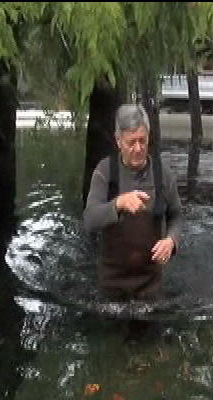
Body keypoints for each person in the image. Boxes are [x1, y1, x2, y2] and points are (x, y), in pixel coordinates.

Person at [83, 104, 182, 302]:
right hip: (112, 283)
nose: (138, 148)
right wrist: (117, 204)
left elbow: (176, 215)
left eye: (142, 141)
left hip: (151, 282)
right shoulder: (105, 172)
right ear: (118, 141)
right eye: (131, 142)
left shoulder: (163, 175)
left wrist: (171, 241)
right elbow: (90, 219)